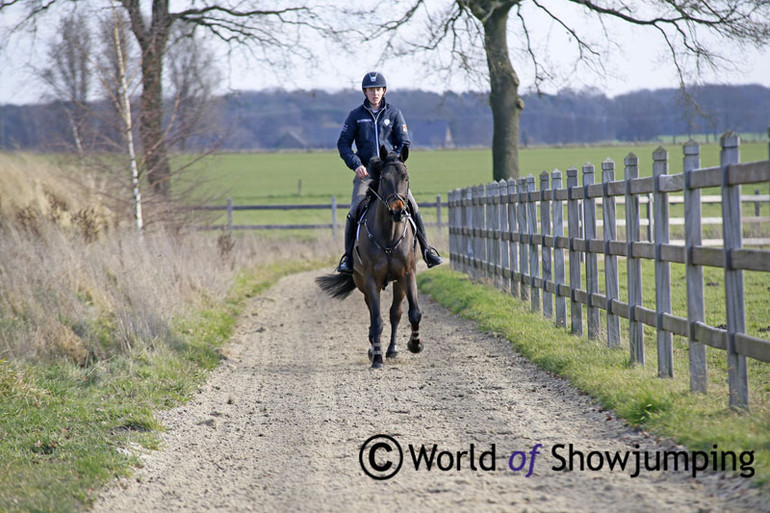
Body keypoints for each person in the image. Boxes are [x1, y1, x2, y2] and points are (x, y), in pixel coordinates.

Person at [336, 71, 442, 274]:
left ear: (384, 91)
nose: (374, 93)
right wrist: (356, 164)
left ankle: (427, 250)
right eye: (370, 90)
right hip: (366, 174)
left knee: (412, 205)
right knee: (355, 209)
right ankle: (348, 259)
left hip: (390, 173)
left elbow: (404, 141)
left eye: (378, 89)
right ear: (365, 92)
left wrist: (393, 161)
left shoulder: (394, 114)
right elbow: (343, 143)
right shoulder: (356, 116)